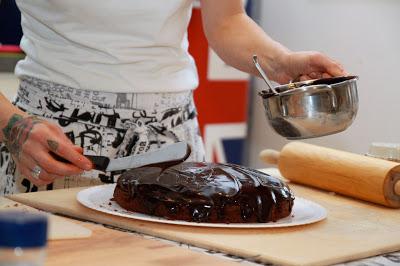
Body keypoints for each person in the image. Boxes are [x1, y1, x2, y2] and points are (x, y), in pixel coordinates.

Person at [0, 0, 347, 195]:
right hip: (51, 147)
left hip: (172, 144)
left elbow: (227, 22)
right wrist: (10, 123)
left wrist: (282, 63)